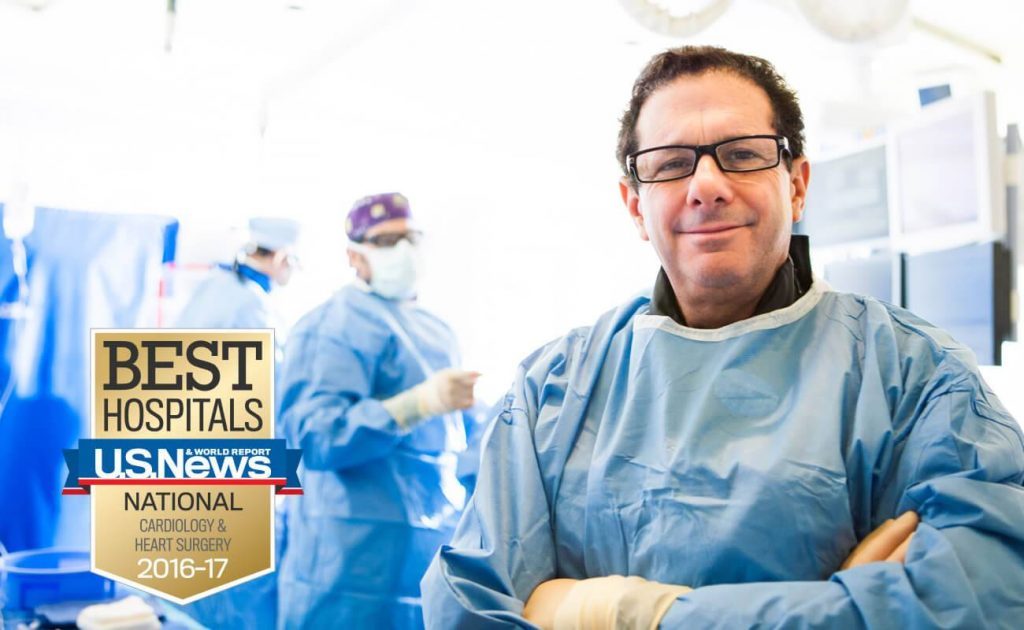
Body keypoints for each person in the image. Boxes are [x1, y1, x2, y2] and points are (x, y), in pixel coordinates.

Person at [421, 46, 1024, 628]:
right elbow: (467, 608)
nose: (707, 185)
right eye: (671, 164)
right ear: (635, 205)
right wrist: (846, 608)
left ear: (797, 185)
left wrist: (618, 613)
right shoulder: (551, 390)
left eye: (741, 154)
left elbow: (985, 598)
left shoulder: (918, 375)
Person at [277, 192, 483, 629]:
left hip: (427, 549)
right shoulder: (331, 326)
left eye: (411, 238)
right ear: (355, 256)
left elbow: (461, 436)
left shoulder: (437, 330)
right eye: (387, 241)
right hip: (347, 561)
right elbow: (314, 439)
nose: (403, 251)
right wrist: (415, 405)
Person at [173, 216, 299, 630]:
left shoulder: (216, 290)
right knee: (235, 591)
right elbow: (271, 399)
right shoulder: (251, 310)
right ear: (281, 256)